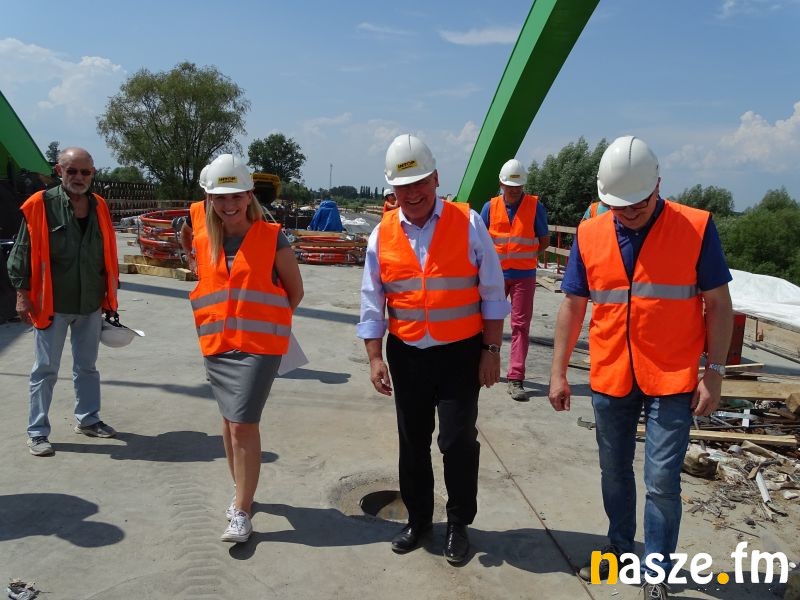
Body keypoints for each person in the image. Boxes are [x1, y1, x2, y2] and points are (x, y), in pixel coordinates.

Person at [547, 136, 733, 599]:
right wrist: (557, 372)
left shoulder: (695, 227)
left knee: (662, 481)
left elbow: (719, 304)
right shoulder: (590, 233)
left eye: (638, 205)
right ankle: (619, 549)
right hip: (612, 373)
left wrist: (714, 373)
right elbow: (572, 305)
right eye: (619, 207)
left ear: (658, 187)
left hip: (671, 376)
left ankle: (657, 570)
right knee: (613, 472)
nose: (628, 214)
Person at [358, 134, 509, 564]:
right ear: (392, 189)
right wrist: (374, 357)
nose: (413, 193)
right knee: (412, 442)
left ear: (437, 179)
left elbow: (492, 291)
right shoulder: (381, 235)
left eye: (421, 182)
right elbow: (371, 301)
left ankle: (458, 523)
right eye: (403, 186)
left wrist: (491, 349)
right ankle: (419, 519)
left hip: (460, 353)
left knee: (457, 441)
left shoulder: (468, 223)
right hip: (407, 354)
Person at [189, 154, 303, 544]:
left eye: (236, 196)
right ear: (209, 199)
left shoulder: (272, 236)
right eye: (220, 198)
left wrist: (267, 322)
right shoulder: (203, 234)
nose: (229, 205)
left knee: (242, 423)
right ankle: (242, 493)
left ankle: (241, 510)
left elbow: (295, 291)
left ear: (249, 195)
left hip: (258, 348)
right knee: (228, 421)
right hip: (217, 344)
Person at [7, 147, 120, 457]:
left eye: (85, 172)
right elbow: (21, 252)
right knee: (45, 369)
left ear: (92, 173)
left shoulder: (99, 206)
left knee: (87, 367)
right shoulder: (40, 205)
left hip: (90, 303)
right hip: (52, 303)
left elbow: (106, 253)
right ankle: (37, 432)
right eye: (72, 171)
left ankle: (88, 419)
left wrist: (109, 298)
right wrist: (22, 296)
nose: (78, 177)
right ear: (59, 171)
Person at [480, 159, 549, 401]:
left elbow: (544, 240)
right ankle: (480, 366)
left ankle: (516, 378)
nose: (514, 190)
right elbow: (479, 240)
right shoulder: (490, 207)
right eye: (510, 186)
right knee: (486, 320)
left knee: (520, 326)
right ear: (501, 184)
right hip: (495, 275)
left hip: (523, 276)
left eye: (518, 186)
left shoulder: (535, 207)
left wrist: (524, 257)